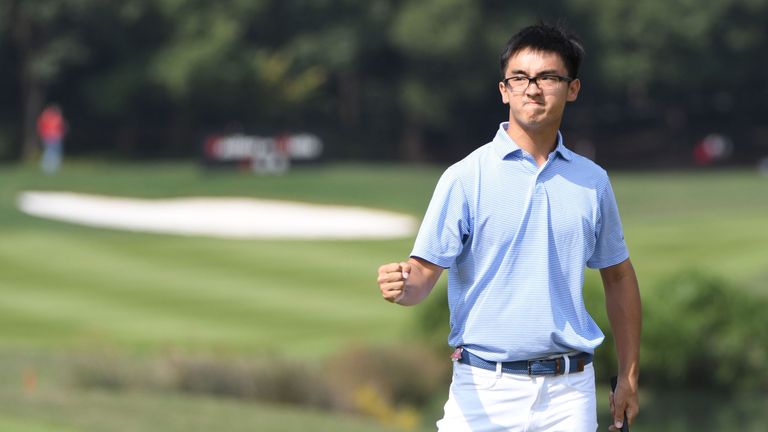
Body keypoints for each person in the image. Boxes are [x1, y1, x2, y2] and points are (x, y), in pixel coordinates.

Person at [377, 23, 640, 432]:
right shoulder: (465, 177)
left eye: (548, 77)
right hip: (484, 386)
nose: (533, 89)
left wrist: (628, 376)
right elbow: (423, 276)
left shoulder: (593, 181)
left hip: (570, 393)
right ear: (504, 90)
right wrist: (402, 286)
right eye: (520, 78)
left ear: (572, 88)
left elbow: (619, 277)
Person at [37, 104, 67, 174]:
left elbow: (62, 127)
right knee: (50, 152)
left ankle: (53, 167)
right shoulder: (49, 117)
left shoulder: (49, 117)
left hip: (54, 136)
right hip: (50, 137)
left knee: (54, 152)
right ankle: (48, 167)